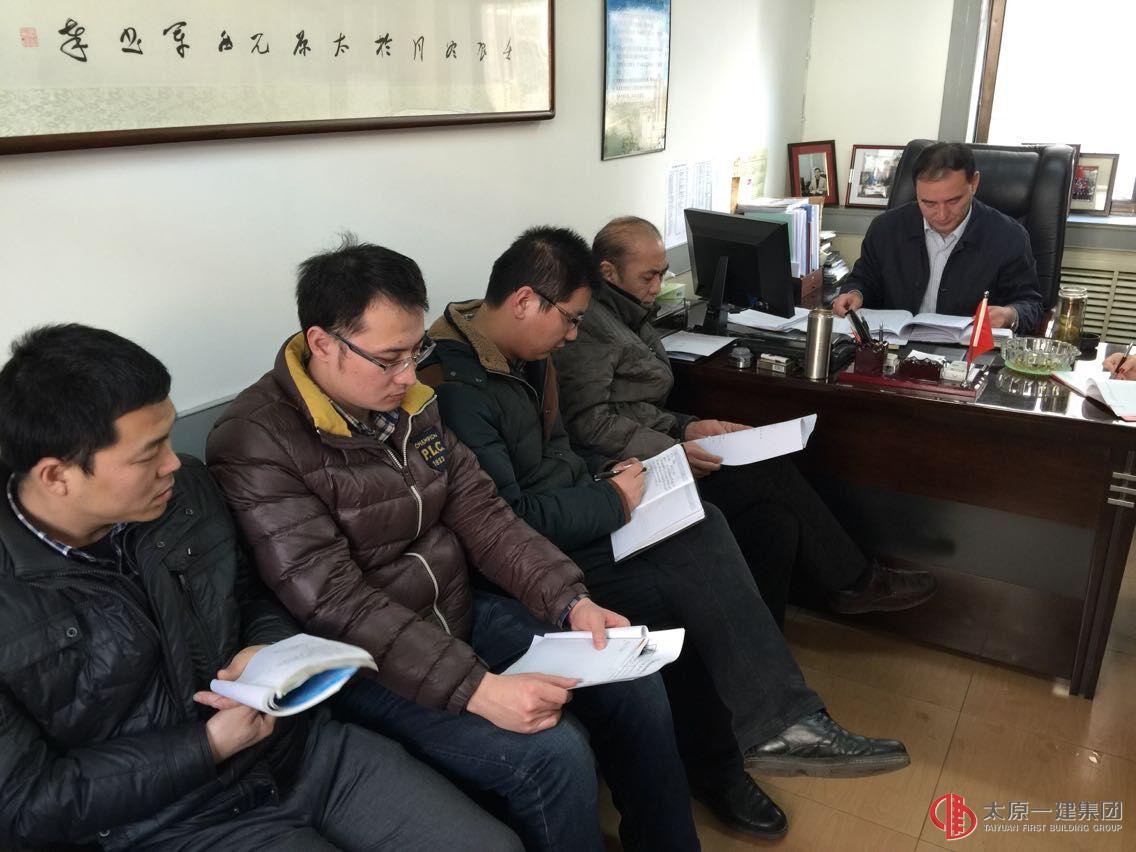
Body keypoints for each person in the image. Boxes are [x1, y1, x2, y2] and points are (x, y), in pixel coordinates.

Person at [205, 235, 700, 852]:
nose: (408, 376)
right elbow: (335, 602)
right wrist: (478, 690)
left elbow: (484, 516)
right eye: (390, 359)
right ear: (323, 343)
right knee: (553, 753)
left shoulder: (410, 405)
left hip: (457, 613)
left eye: (416, 352)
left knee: (631, 677)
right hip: (365, 665)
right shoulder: (256, 441)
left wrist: (569, 601)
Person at [421, 225, 913, 841]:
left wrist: (613, 476)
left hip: (580, 508)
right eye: (569, 320)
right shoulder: (458, 388)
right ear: (524, 301)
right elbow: (508, 522)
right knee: (696, 576)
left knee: (722, 532)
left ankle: (762, 734)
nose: (572, 335)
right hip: (532, 557)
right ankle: (757, 739)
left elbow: (561, 450)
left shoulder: (525, 353)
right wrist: (611, 497)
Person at [0, 324, 522, 852]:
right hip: (170, 819)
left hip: (299, 750)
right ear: (56, 476)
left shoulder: (187, 494)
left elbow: (252, 594)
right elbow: (26, 804)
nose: (173, 463)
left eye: (169, 438)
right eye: (147, 454)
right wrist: (205, 746)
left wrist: (266, 646)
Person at [554, 215, 937, 625]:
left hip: (661, 449)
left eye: (662, 273)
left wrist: (686, 426)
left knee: (776, 523)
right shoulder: (589, 326)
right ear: (608, 272)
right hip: (628, 472)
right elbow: (589, 424)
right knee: (768, 470)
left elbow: (629, 407)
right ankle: (856, 582)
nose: (657, 285)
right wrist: (675, 446)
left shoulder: (629, 312)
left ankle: (767, 637)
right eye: (649, 276)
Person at [831, 141, 1044, 334]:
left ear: (974, 183)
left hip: (967, 355)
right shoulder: (886, 228)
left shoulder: (1009, 236)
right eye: (929, 203)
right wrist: (855, 294)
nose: (942, 215)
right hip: (894, 350)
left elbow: (1031, 305)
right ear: (916, 190)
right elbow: (864, 279)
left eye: (953, 201)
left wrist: (1009, 315)